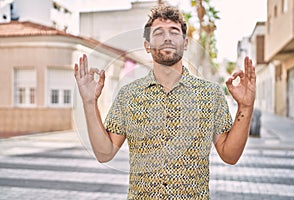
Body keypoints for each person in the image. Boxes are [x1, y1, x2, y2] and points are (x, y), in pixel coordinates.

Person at [74, 5, 256, 200]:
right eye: (158, 33)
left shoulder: (210, 94)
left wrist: (245, 107)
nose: (167, 38)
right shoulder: (129, 95)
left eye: (174, 32)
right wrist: (89, 102)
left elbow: (230, 155)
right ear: (147, 45)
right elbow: (105, 153)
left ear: (185, 43)